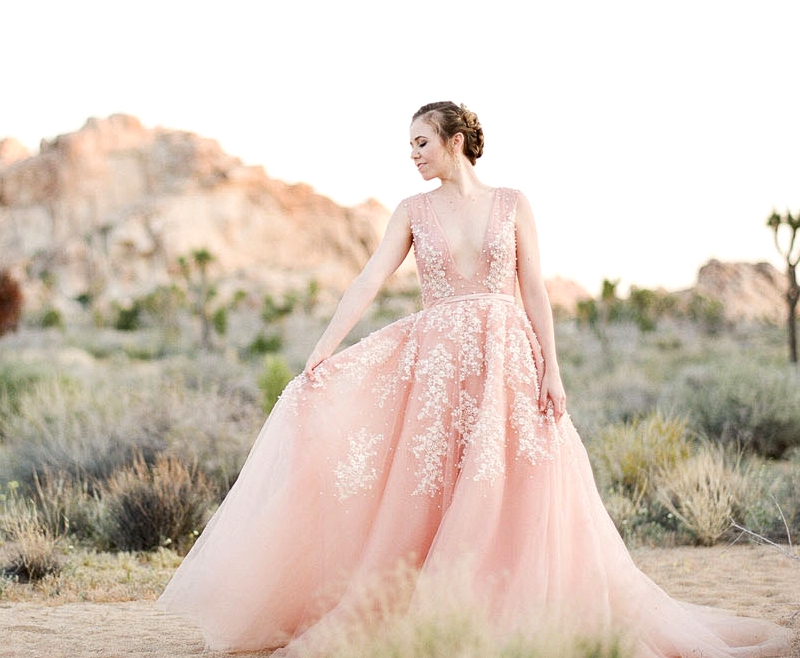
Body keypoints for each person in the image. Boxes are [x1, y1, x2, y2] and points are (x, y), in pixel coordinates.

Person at [158, 102, 793, 657]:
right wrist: (323, 349)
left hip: (507, 362)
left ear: (455, 140)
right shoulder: (410, 210)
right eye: (409, 145)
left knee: (512, 486)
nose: (412, 155)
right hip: (436, 368)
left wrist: (553, 368)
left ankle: (508, 612)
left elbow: (534, 290)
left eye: (420, 142)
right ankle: (431, 616)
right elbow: (370, 278)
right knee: (429, 490)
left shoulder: (514, 204)